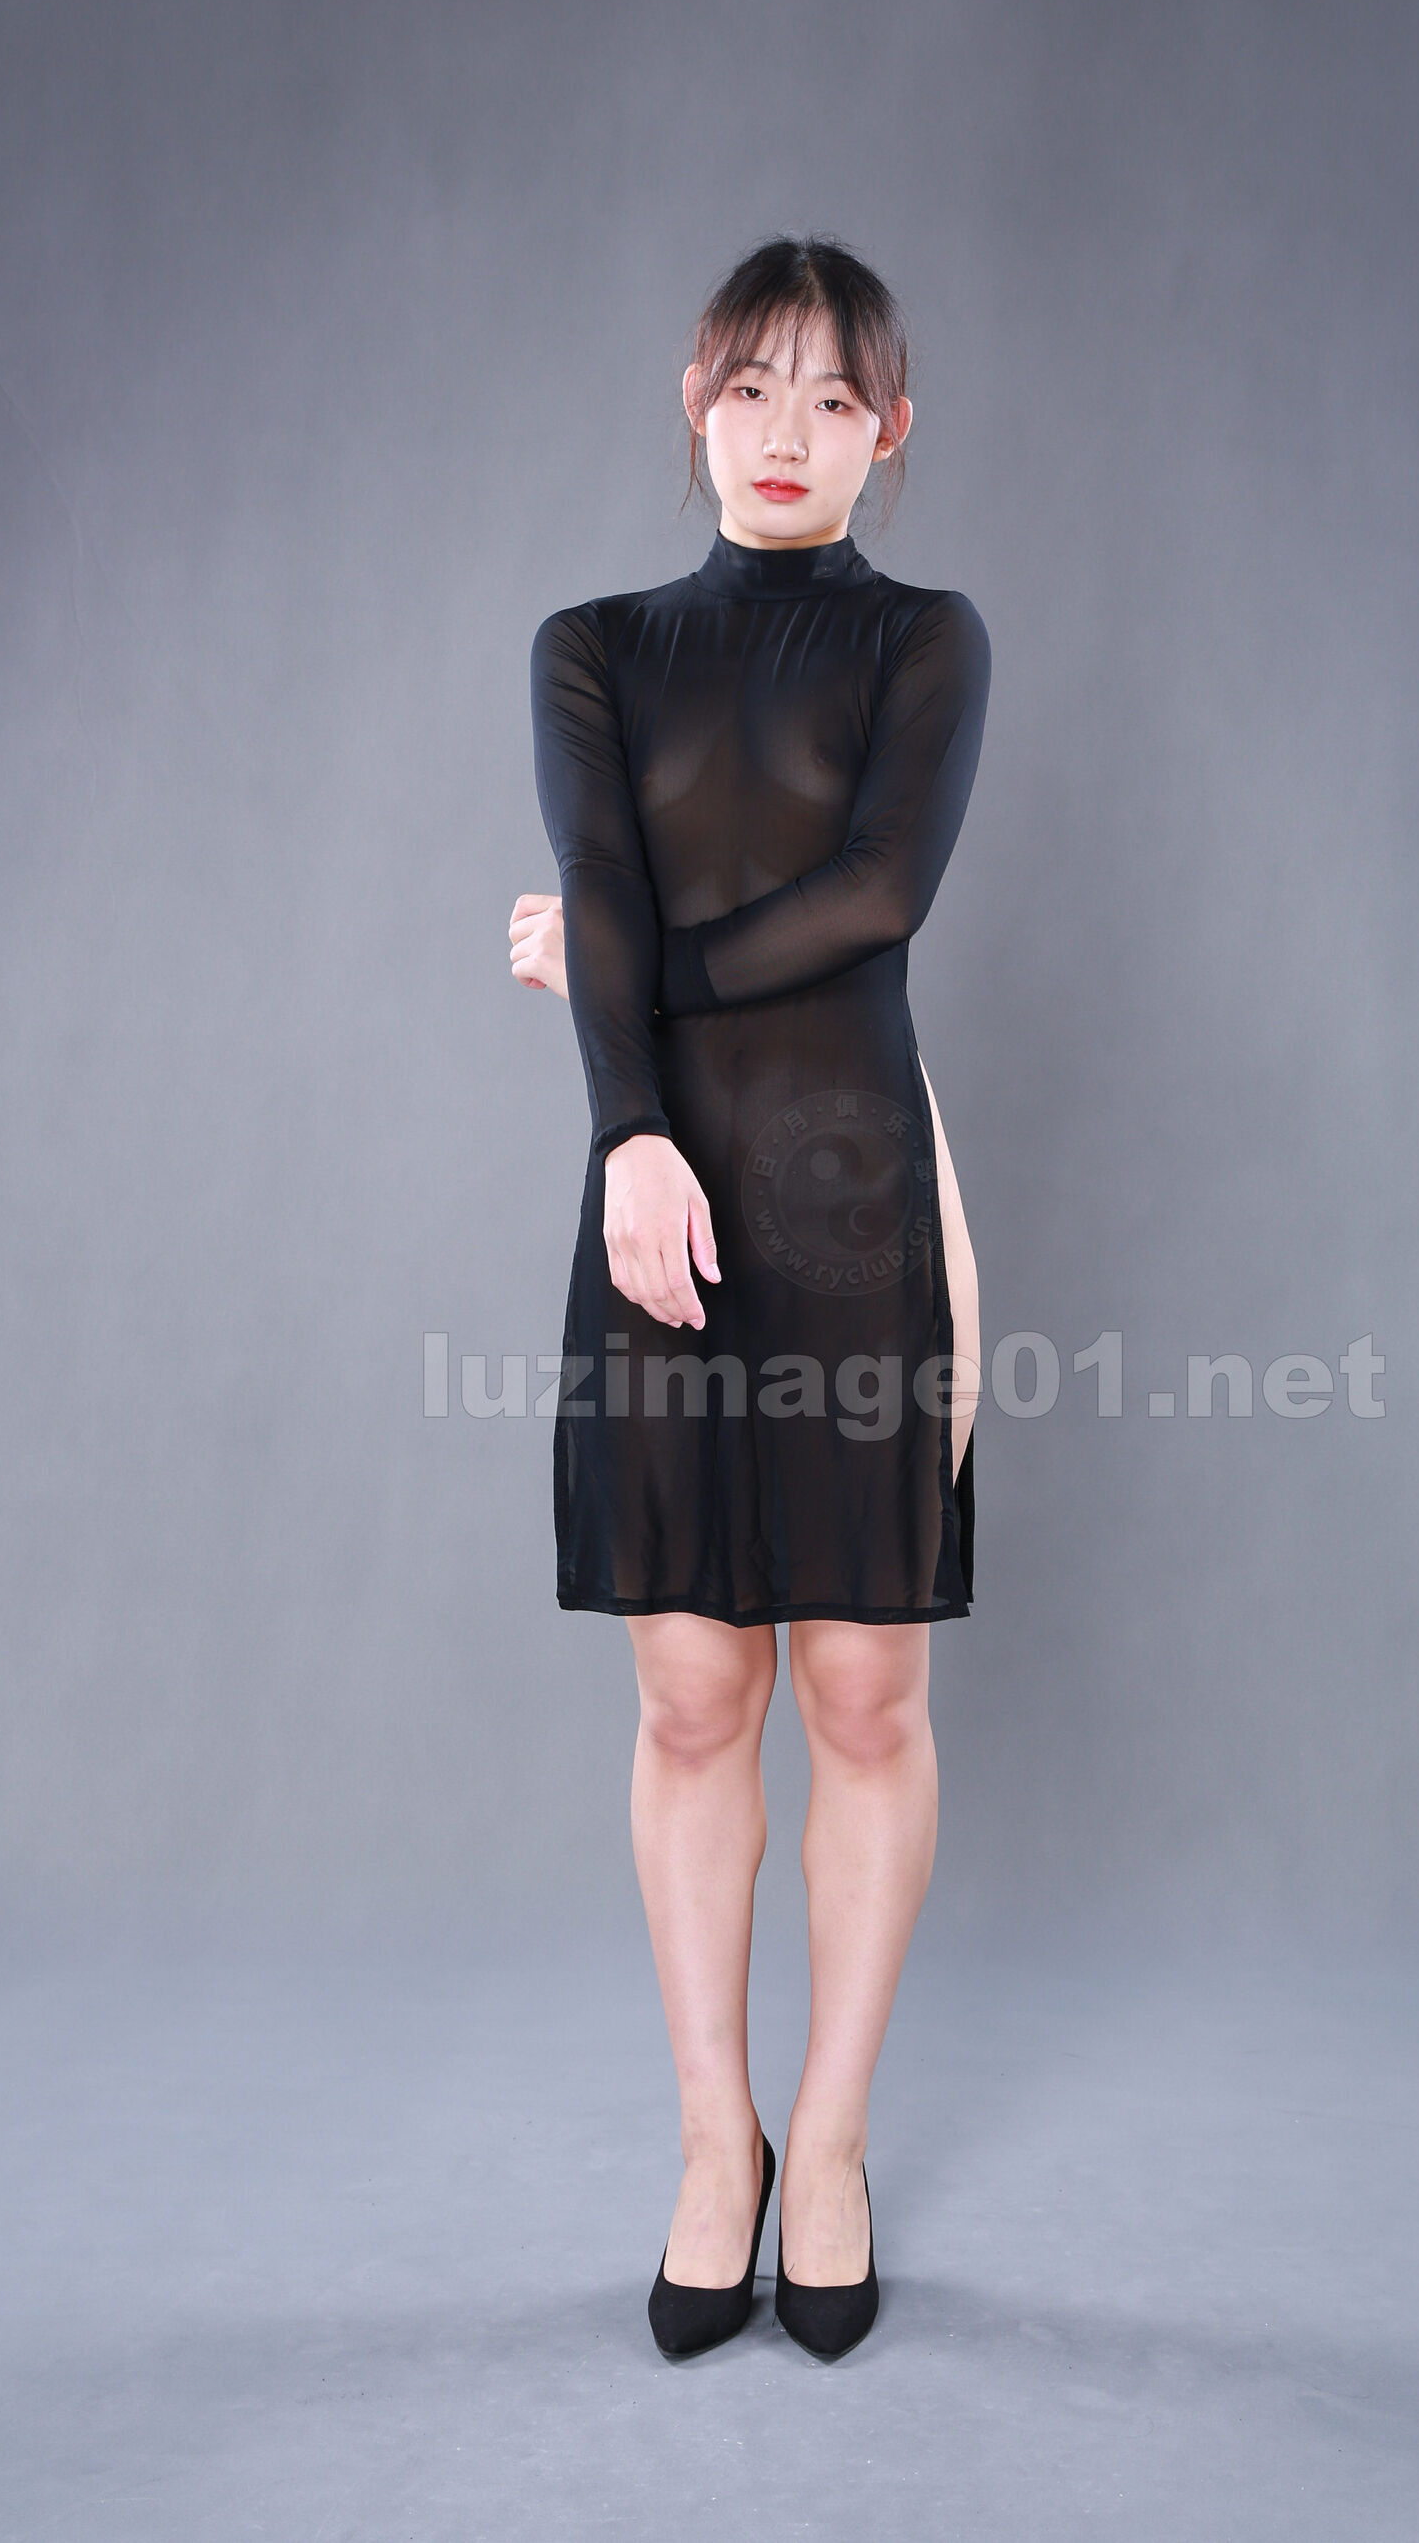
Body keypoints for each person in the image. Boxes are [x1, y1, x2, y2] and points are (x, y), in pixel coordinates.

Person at [509, 237, 990, 2361]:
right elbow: (601, 878)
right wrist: (626, 1118)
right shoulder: (595, 646)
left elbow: (877, 897)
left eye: (833, 397)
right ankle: (720, 2142)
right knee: (692, 1701)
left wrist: (612, 981)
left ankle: (840, 2137)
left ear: (892, 432)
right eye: (751, 389)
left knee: (865, 1701)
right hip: (665, 1211)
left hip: (862, 1199)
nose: (787, 433)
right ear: (692, 406)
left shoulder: (925, 639)